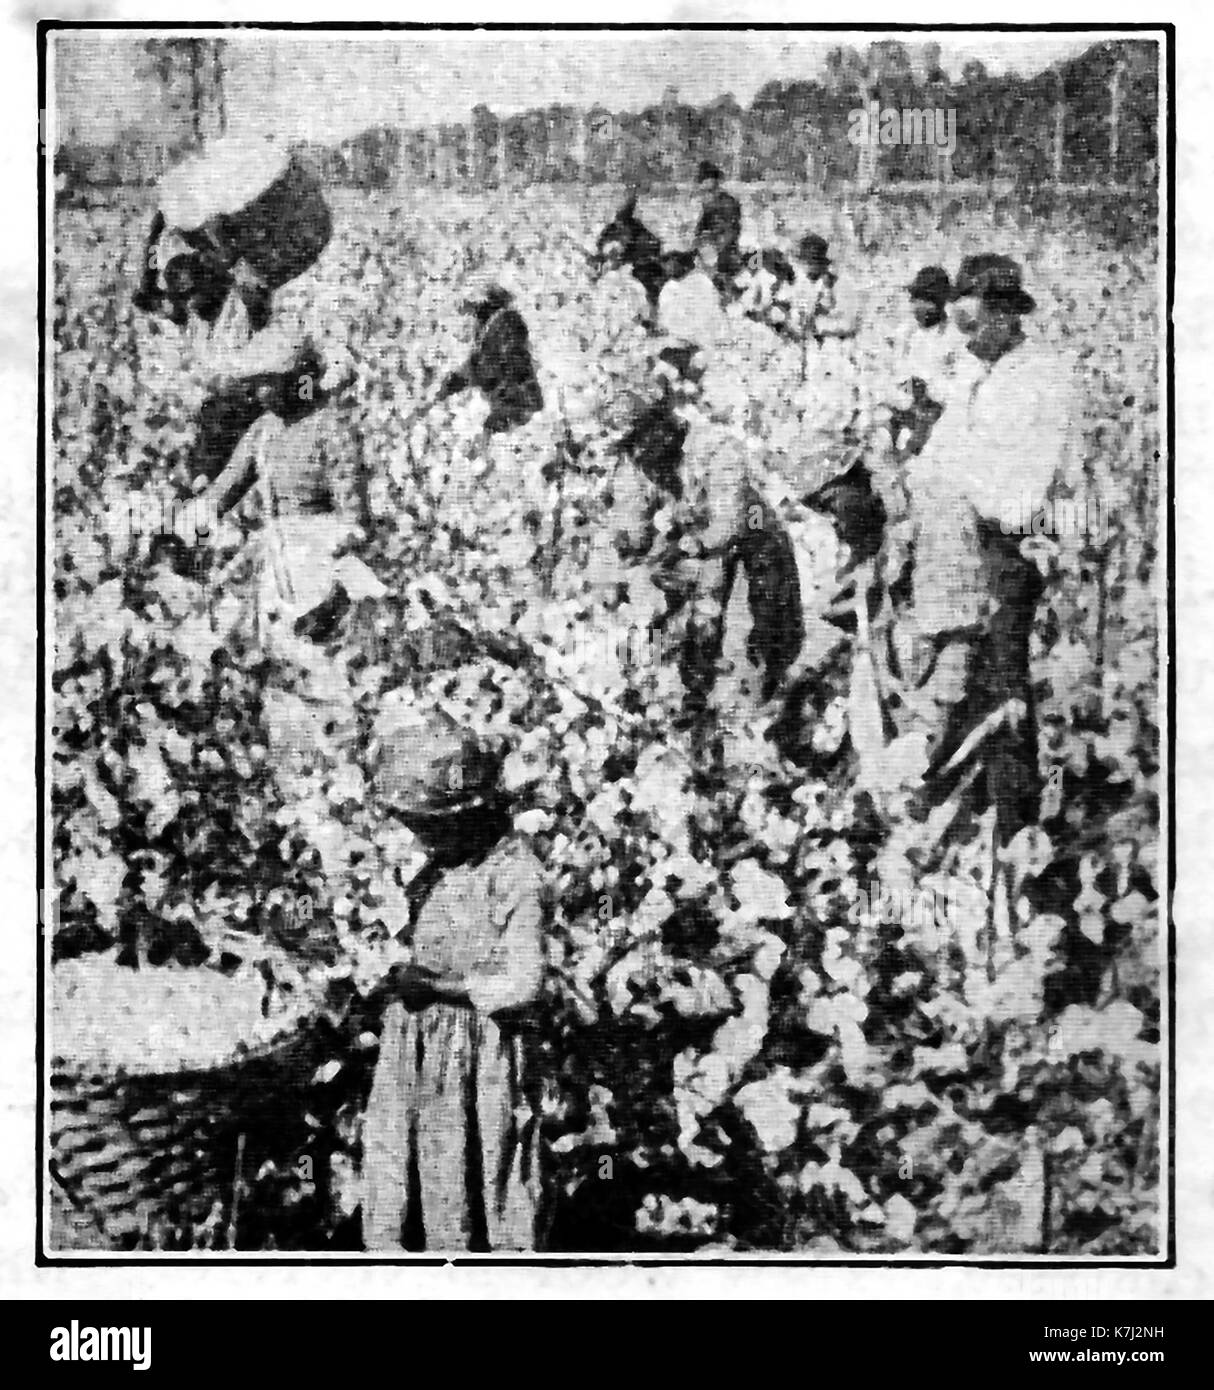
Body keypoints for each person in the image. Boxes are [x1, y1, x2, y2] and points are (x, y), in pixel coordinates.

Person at [896, 255, 1080, 840]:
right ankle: (953, 786)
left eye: (973, 326)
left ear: (1004, 315)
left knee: (1005, 680)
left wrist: (959, 481)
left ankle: (1013, 820)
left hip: (1010, 546)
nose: (965, 341)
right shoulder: (984, 369)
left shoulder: (1040, 377)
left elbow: (1023, 489)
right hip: (967, 541)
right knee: (974, 671)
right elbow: (942, 449)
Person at [360, 709, 547, 1251]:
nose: (417, 835)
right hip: (416, 1046)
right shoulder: (438, 866)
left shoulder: (514, 873)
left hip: (478, 1054)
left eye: (427, 825)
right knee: (400, 1163)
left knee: (470, 1171)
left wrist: (440, 988)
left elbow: (522, 983)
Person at [436, 282, 544, 434]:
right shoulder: (507, 322)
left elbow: (512, 355)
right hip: (494, 369)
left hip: (496, 371)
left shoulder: (509, 323)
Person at [694, 161, 743, 287]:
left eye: (705, 179)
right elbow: (700, 229)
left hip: (725, 255)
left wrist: (716, 247)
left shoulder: (727, 202)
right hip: (709, 252)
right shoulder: (708, 203)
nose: (702, 184)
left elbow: (731, 230)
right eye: (701, 180)